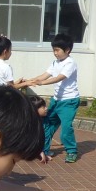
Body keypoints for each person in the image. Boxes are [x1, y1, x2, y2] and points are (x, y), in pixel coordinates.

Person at [22, 34, 81, 163]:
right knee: (47, 125)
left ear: (67, 50)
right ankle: (44, 150)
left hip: (69, 101)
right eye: (53, 50)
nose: (55, 53)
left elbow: (59, 77)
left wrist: (42, 83)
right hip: (56, 100)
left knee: (66, 129)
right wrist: (30, 81)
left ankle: (71, 151)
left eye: (57, 50)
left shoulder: (70, 63)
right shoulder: (55, 63)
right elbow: (45, 75)